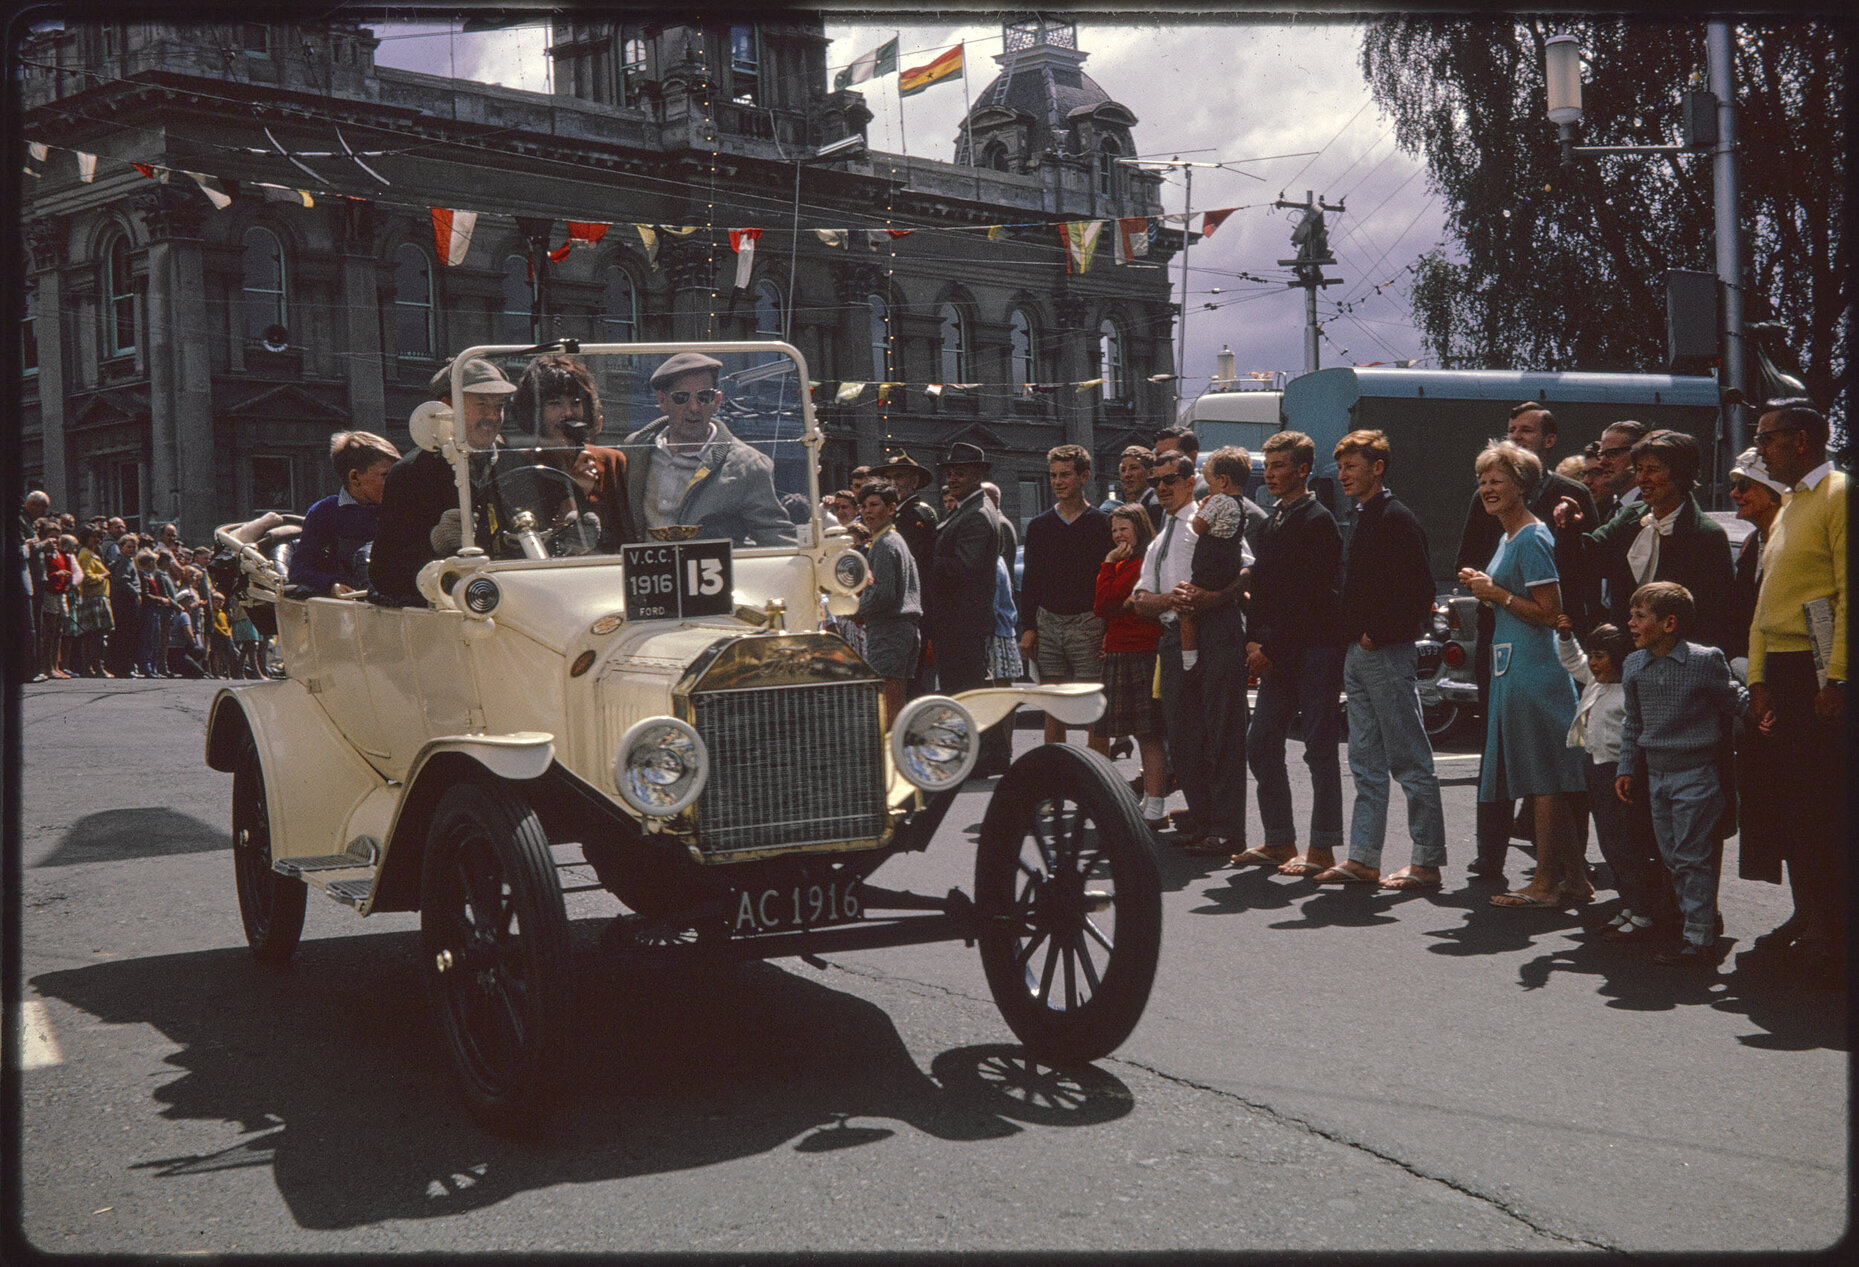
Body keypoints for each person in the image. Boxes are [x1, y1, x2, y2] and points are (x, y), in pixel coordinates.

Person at [1458, 403, 1597, 875]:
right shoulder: (1507, 537)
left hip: (1535, 667)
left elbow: (1550, 611)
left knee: (1544, 779)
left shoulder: (1534, 537)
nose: (1487, 490)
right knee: (1537, 776)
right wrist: (1488, 584)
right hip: (1510, 666)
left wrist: (1495, 593)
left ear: (1522, 486)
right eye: (1482, 482)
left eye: (1496, 481)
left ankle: (1545, 881)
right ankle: (1573, 881)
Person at [1741, 398, 1847, 972]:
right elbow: (1765, 603)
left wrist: (1837, 678)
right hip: (1779, 672)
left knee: (1818, 807)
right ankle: (1807, 913)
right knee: (1783, 806)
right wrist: (1757, 677)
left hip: (1817, 671)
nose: (1761, 448)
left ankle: (1831, 928)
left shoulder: (1839, 495)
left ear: (1802, 440)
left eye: (1769, 438)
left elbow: (1846, 596)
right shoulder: (1786, 509)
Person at [1322, 430, 1448, 887]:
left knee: (1410, 760)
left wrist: (1378, 635)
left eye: (1351, 467)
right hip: (1359, 652)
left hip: (1385, 653)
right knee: (1364, 760)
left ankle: (1427, 861)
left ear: (1377, 468)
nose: (1343, 476)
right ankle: (1363, 857)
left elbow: (1420, 594)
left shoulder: (1397, 519)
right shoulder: (1361, 517)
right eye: (1340, 468)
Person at [1616, 581, 1749, 966]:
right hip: (1656, 776)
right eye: (1631, 615)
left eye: (1640, 616)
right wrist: (1627, 768)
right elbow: (1632, 723)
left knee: (1692, 857)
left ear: (1670, 623)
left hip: (1696, 776)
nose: (1630, 623)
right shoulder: (1634, 665)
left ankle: (1698, 938)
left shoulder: (1703, 660)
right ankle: (1701, 919)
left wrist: (1759, 710)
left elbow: (1733, 696)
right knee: (1673, 857)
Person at [1233, 431, 1347, 876]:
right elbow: (1262, 590)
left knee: (1319, 747)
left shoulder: (1318, 521)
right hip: (1275, 653)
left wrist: (1271, 647)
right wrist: (1253, 641)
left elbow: (1312, 597)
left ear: (1303, 470)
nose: (1271, 473)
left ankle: (1322, 848)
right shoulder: (1270, 522)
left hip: (1314, 649)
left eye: (1280, 465)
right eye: (1268, 464)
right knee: (1260, 743)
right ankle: (1280, 839)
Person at [1133, 449, 1252, 856]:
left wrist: (1213, 597)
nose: (1162, 487)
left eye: (1171, 479)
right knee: (1183, 737)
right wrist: (1170, 600)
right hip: (1172, 636)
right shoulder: (1160, 537)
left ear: (1190, 480)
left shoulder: (1212, 516)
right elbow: (1140, 597)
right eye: (1155, 482)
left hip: (1215, 631)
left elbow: (1248, 569)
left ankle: (1226, 830)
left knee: (1222, 732)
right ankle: (1203, 821)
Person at [1556, 615, 1674, 943]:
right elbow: (1571, 660)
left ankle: (1644, 910)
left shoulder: (1628, 691)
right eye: (1592, 656)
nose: (1593, 664)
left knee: (1627, 843)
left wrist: (1630, 772)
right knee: (1609, 843)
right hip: (1594, 768)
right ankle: (1630, 903)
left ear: (1619, 659)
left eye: (1601, 656)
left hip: (1620, 774)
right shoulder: (1596, 682)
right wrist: (1566, 636)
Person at [1568, 429, 1733, 651]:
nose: (1642, 479)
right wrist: (1569, 527)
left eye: (1652, 470)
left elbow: (1716, 618)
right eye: (1639, 470)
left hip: (1679, 661)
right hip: (1627, 657)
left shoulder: (1707, 536)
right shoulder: (1631, 517)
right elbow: (1587, 558)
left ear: (1680, 475)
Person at [370, 358, 517, 605]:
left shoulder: (514, 464)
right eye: (481, 404)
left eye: (499, 405)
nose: (493, 416)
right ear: (447, 407)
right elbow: (386, 575)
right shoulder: (411, 473)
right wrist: (437, 548)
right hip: (445, 619)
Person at [621, 351, 795, 548]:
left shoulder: (748, 466)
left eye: (705, 396)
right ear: (662, 401)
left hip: (715, 577)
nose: (694, 407)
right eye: (681, 397)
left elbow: (778, 540)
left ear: (717, 401)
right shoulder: (636, 450)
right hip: (648, 576)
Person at [1020, 444, 1115, 754]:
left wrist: (1107, 629)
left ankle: (1098, 780)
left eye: (1065, 475)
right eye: (1053, 476)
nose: (1058, 481)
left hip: (1088, 622)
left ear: (1083, 476)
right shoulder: (1039, 526)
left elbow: (1108, 582)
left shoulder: (1102, 524)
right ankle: (1055, 778)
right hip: (1048, 622)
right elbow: (1031, 580)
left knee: (1092, 704)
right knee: (1054, 704)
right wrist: (1028, 627)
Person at [925, 442, 1012, 773]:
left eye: (960, 472)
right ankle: (987, 754)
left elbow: (965, 567)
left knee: (967, 689)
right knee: (966, 688)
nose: (952, 478)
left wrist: (925, 559)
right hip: (958, 618)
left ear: (978, 474)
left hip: (963, 619)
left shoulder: (976, 514)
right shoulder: (967, 509)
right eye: (949, 472)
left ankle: (988, 755)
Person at [508, 352, 632, 550]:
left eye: (575, 402)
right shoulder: (522, 468)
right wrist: (575, 493)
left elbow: (626, 537)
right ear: (535, 411)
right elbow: (531, 546)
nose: (568, 413)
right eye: (555, 404)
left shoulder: (611, 461)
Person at [1093, 504, 1169, 828]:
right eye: (1114, 531)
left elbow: (1116, 603)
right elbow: (1102, 606)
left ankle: (1156, 804)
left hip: (1143, 651)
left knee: (1149, 733)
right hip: (1120, 651)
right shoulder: (1119, 562)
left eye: (1124, 529)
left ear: (1139, 529)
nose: (1118, 536)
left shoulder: (1142, 562)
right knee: (1139, 734)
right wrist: (1109, 565)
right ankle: (1149, 799)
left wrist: (1112, 580)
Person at [290, 430, 400, 596]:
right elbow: (299, 571)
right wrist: (330, 585)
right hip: (348, 609)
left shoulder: (398, 510)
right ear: (355, 477)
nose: (395, 482)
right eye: (385, 475)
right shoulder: (325, 513)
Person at [854, 479, 922, 725]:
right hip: (904, 629)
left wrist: (855, 609)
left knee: (889, 707)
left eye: (874, 505)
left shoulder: (884, 543)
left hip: (890, 630)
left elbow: (883, 595)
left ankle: (891, 759)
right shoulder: (895, 540)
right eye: (863, 506)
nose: (867, 511)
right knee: (897, 702)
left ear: (892, 508)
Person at [1724, 446, 1788, 671]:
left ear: (1774, 495)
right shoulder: (1751, 543)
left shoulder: (1793, 543)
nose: (1734, 494)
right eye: (1734, 486)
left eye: (1743, 486)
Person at [72, 525, 115, 677]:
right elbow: (87, 577)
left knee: (95, 636)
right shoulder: (85, 554)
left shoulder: (92, 553)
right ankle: (96, 667)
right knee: (94, 636)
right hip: (93, 599)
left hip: (99, 597)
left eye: (98, 537)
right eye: (93, 536)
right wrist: (103, 575)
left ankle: (92, 667)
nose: (97, 540)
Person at [106, 532, 143, 677]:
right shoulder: (123, 561)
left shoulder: (129, 560)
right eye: (128, 547)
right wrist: (136, 593)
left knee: (126, 635)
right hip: (124, 603)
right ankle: (124, 667)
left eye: (134, 547)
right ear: (121, 548)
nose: (131, 549)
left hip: (126, 602)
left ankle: (124, 666)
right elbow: (123, 580)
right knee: (125, 635)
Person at [1100, 445, 1163, 529]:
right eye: (1123, 470)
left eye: (1134, 468)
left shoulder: (1155, 506)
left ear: (1150, 473)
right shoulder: (1141, 505)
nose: (1127, 475)